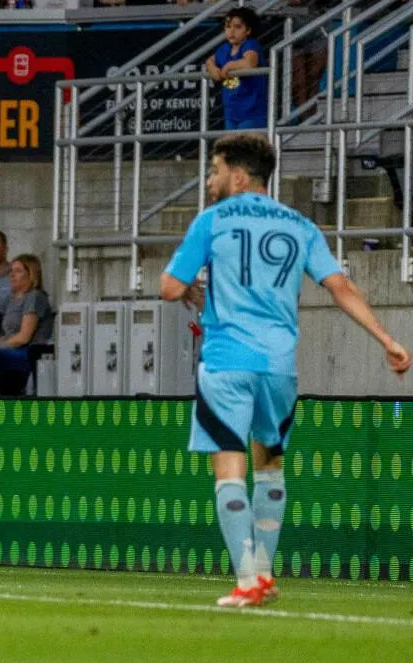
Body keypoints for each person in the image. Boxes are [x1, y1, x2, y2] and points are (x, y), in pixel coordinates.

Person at [160, 133, 410, 607]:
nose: (210, 180)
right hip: (278, 367)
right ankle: (265, 574)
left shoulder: (212, 222)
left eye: (214, 170)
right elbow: (340, 286)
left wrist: (194, 286)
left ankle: (247, 579)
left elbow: (170, 288)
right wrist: (387, 339)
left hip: (227, 362)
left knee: (229, 468)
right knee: (269, 466)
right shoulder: (299, 225)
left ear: (237, 174)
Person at [0, 254, 53, 396]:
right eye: (11, 271)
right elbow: (7, 334)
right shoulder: (12, 299)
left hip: (28, 353)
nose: (12, 275)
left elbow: (23, 337)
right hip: (10, 349)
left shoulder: (35, 297)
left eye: (18, 271)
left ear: (31, 274)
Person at [206, 7, 269, 131]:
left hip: (252, 112)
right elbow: (209, 61)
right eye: (228, 27)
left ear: (248, 30)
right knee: (231, 148)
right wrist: (214, 70)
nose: (232, 31)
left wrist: (229, 66)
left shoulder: (250, 45)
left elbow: (250, 62)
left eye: (237, 27)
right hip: (231, 112)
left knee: (244, 147)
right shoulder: (225, 48)